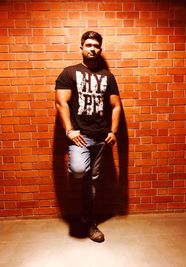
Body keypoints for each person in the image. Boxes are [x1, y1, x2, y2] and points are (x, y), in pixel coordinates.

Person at [55, 31, 121, 243]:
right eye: (89, 45)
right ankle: (84, 209)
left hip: (102, 139)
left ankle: (89, 221)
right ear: (81, 47)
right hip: (80, 137)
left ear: (100, 49)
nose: (93, 48)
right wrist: (69, 130)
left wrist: (113, 131)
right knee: (79, 170)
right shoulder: (69, 73)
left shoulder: (108, 77)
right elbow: (61, 103)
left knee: (92, 181)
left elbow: (116, 106)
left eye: (96, 46)